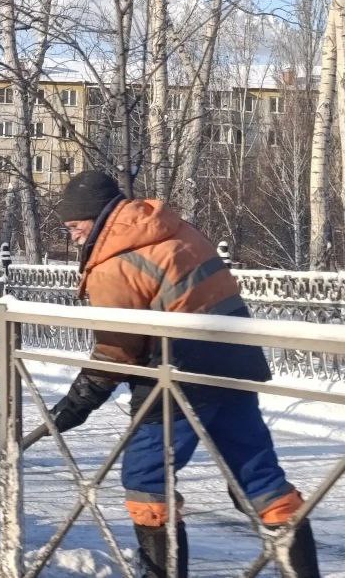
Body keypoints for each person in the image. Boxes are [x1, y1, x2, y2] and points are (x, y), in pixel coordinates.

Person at [48, 170, 319, 577]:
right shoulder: (174, 228)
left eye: (74, 226)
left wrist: (75, 405)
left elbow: (116, 351)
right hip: (234, 366)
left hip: (179, 375)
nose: (72, 236)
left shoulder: (114, 262)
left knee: (145, 479)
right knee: (257, 475)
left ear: (96, 216)